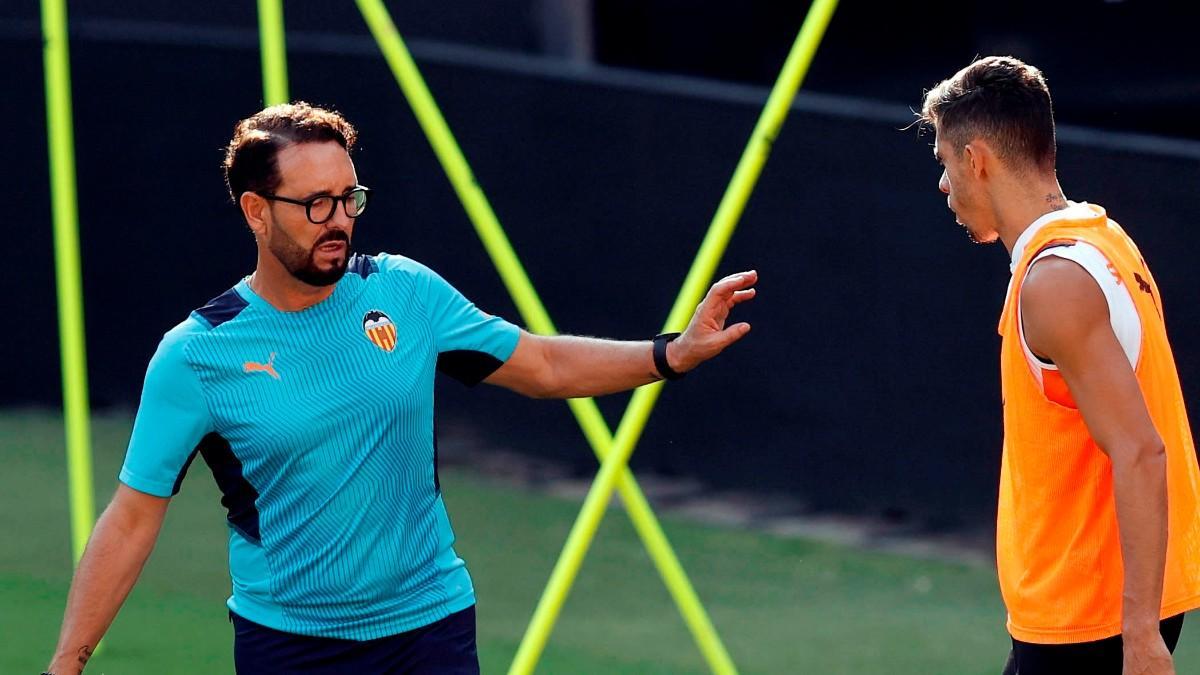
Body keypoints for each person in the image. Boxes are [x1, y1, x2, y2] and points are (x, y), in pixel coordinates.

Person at [44, 102, 757, 675]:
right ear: (256, 213)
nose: (341, 221)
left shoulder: (404, 291)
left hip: (431, 631)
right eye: (315, 204)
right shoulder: (196, 355)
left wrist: (672, 352)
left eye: (348, 197)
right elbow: (133, 516)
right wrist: (67, 662)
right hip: (292, 648)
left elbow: (541, 363)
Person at [919, 56, 1200, 675]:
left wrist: (1140, 637)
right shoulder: (1105, 240)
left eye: (944, 162)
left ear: (978, 160)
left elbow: (1141, 452)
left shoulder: (1054, 283)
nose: (943, 184)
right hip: (1097, 614)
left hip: (1085, 624)